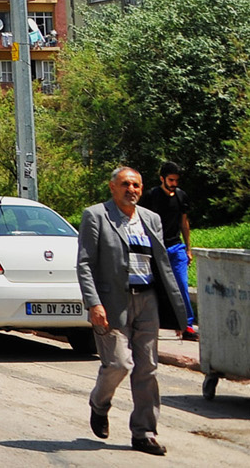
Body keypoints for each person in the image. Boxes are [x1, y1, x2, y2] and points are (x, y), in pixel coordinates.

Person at [77, 166, 185, 456]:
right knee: (119, 364)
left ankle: (144, 433)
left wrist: (178, 310)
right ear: (112, 187)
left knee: (147, 368)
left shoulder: (151, 218)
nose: (132, 190)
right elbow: (85, 263)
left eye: (136, 185)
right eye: (125, 184)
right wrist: (93, 302)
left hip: (147, 299)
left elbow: (162, 264)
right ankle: (99, 404)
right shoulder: (96, 215)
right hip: (112, 303)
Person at [140, 161, 197, 340]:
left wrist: (188, 248)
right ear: (162, 178)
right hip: (156, 249)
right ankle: (153, 323)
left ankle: (186, 325)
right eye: (171, 180)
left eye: (176, 180)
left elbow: (184, 222)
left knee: (181, 285)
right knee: (156, 288)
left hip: (176, 247)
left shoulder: (181, 196)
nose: (174, 183)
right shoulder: (151, 196)